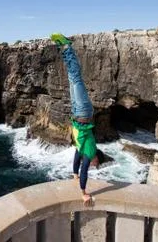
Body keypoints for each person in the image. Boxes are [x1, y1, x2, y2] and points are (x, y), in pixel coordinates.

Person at [50, 33, 104, 206]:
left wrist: (74, 174)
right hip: (84, 112)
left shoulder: (82, 149)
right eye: (96, 164)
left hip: (76, 113)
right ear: (96, 158)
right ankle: (67, 46)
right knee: (75, 77)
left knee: (71, 78)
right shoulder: (89, 151)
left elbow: (76, 161)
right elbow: (85, 170)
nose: (93, 165)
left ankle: (63, 50)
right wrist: (84, 193)